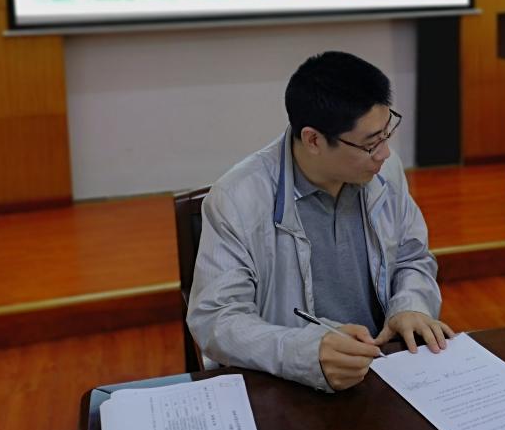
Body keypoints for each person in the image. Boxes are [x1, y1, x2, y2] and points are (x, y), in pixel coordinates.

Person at [187, 51, 453, 392]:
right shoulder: (237, 198)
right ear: (313, 139)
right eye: (371, 144)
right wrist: (304, 353)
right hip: (292, 385)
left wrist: (410, 305)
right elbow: (217, 318)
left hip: (382, 366)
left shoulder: (384, 171)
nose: (385, 153)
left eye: (386, 133)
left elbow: (412, 257)